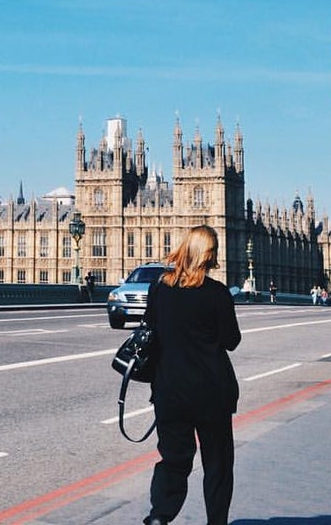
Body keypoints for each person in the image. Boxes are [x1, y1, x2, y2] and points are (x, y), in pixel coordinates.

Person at [143, 224, 241, 525]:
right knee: (217, 464)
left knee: (173, 460)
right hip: (211, 393)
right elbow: (231, 340)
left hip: (170, 392)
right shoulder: (217, 293)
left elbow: (149, 332)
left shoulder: (159, 288)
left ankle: (160, 517)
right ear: (210, 256)